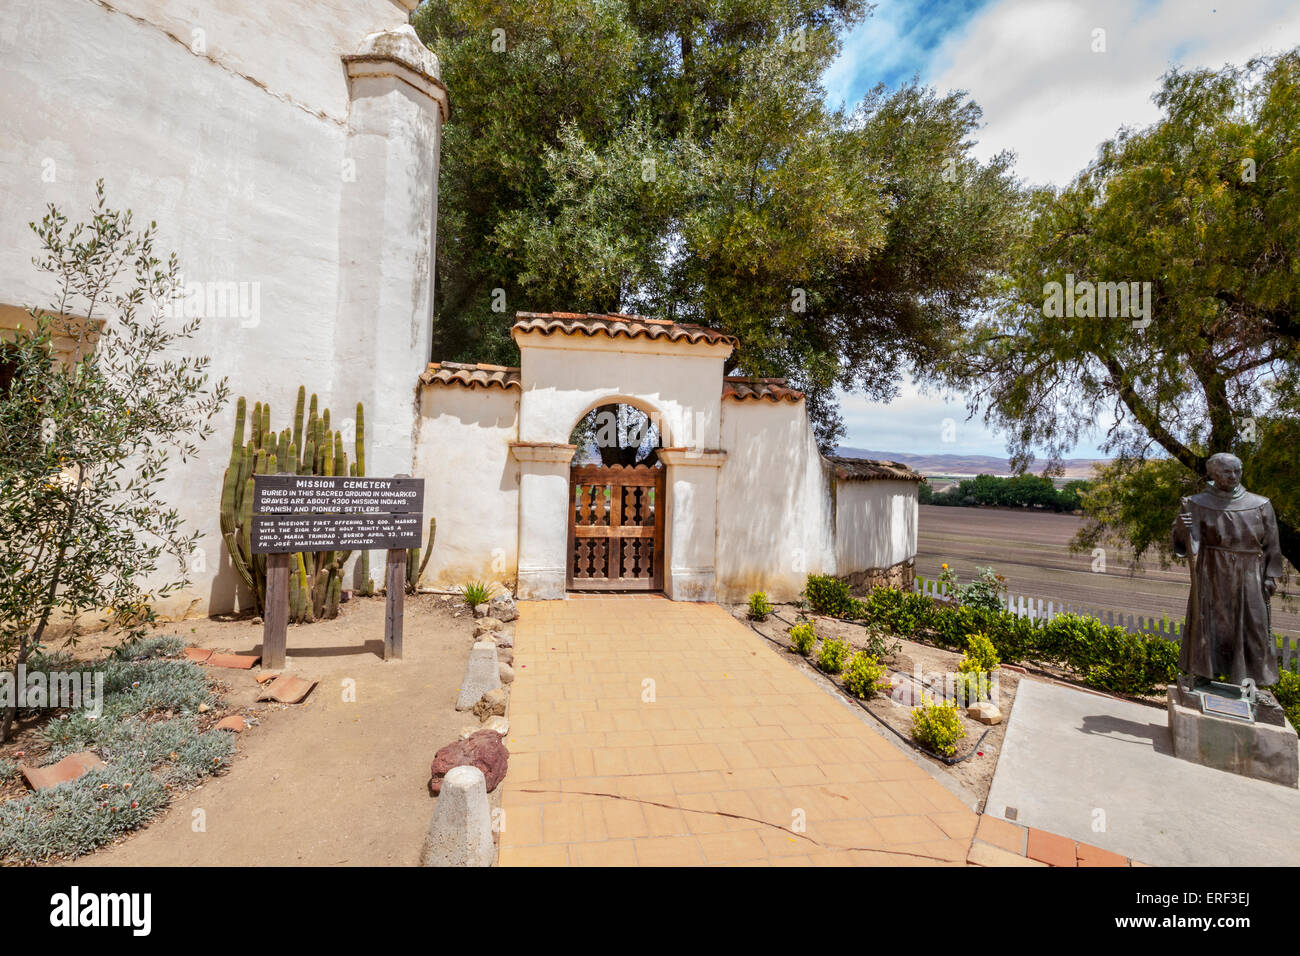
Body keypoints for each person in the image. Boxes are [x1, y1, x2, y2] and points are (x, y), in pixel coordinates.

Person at [1172, 453, 1284, 686]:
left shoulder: (1261, 504)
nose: (1234, 476)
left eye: (1237, 471)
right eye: (1227, 472)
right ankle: (1202, 672)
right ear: (1213, 474)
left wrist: (1271, 575)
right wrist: (1184, 527)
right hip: (1212, 571)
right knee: (1208, 622)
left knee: (1255, 624)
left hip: (1250, 572)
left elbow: (1272, 544)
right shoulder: (1195, 503)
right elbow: (1186, 544)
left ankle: (1254, 681)